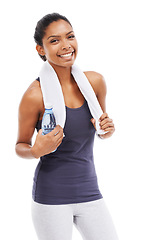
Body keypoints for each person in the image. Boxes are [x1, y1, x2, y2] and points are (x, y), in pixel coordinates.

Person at [15, 13, 119, 240]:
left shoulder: (94, 83)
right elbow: (20, 145)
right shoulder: (34, 96)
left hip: (90, 191)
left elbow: (100, 127)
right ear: (40, 50)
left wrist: (107, 130)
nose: (66, 46)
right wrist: (34, 151)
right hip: (51, 197)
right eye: (54, 40)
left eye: (70, 37)